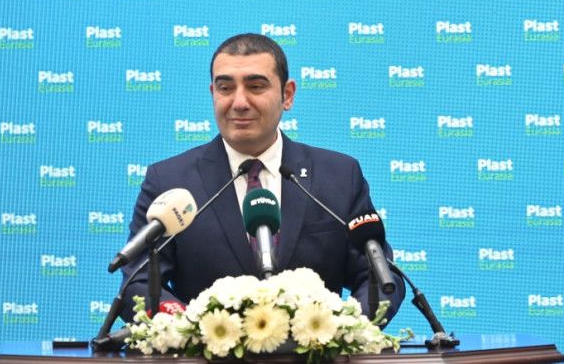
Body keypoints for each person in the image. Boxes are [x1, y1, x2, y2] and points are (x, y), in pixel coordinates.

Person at [119, 33, 403, 323]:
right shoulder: (170, 181)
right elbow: (138, 284)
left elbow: (379, 278)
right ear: (213, 93)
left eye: (255, 86)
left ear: (287, 95)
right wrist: (190, 330)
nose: (239, 102)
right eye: (226, 88)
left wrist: (343, 328)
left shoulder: (339, 176)